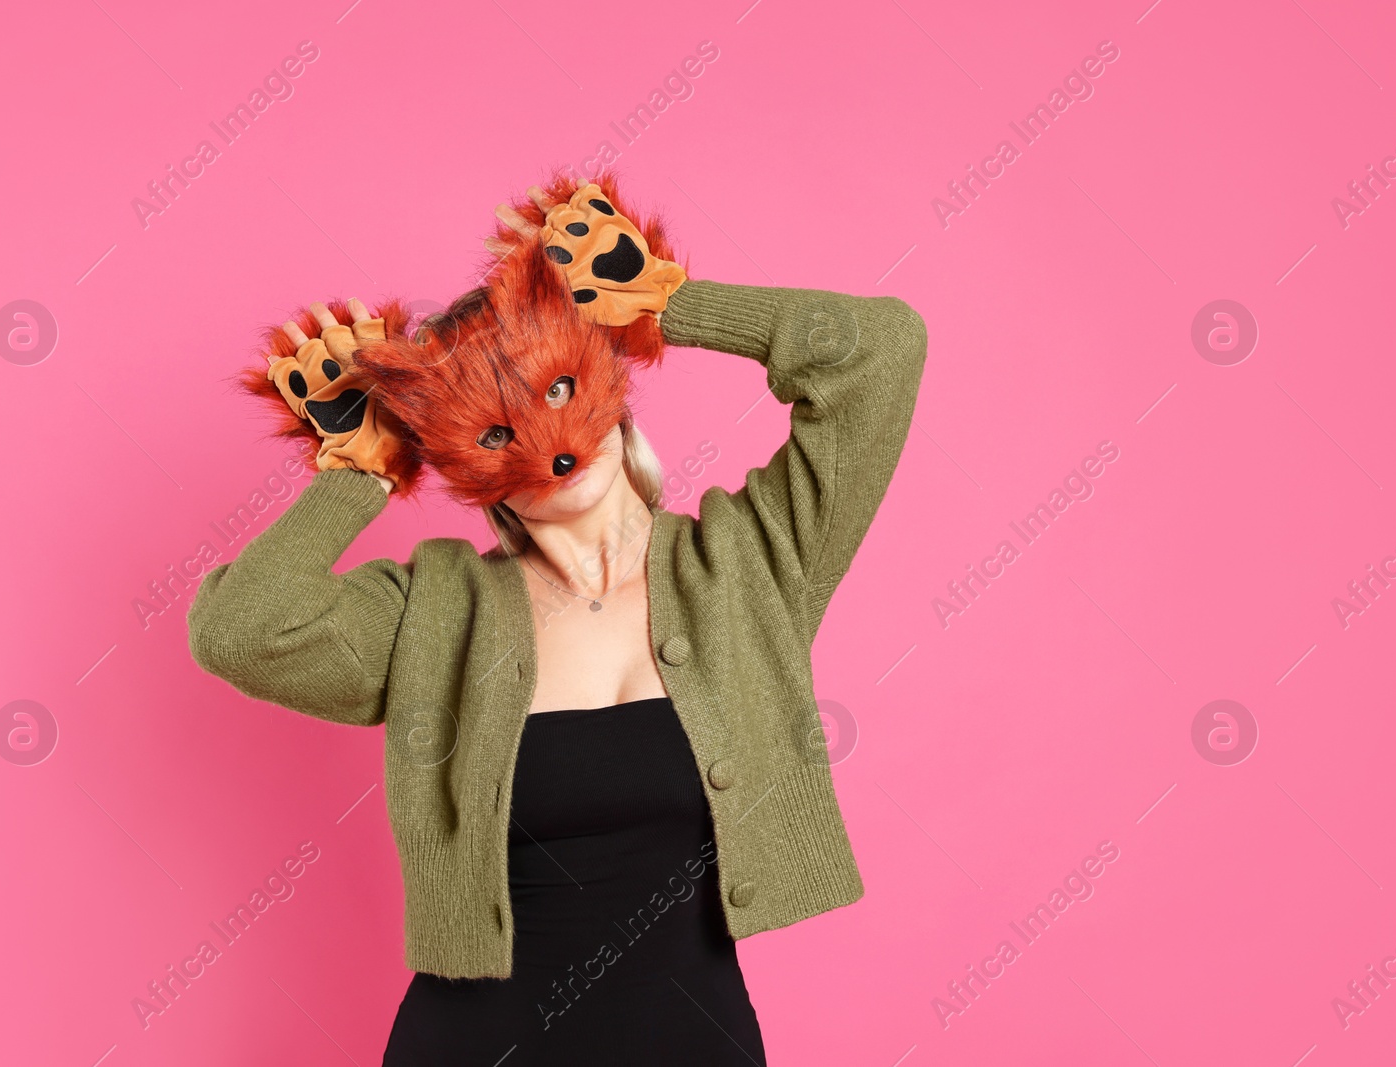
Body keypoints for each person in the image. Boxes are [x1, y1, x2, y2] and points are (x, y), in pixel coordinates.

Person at [187, 174, 928, 1065]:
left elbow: (880, 351)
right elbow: (240, 629)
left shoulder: (749, 566)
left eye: (558, 387)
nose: (552, 443)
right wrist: (365, 467)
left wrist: (664, 304)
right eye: (495, 431)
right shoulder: (436, 612)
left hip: (694, 1042)